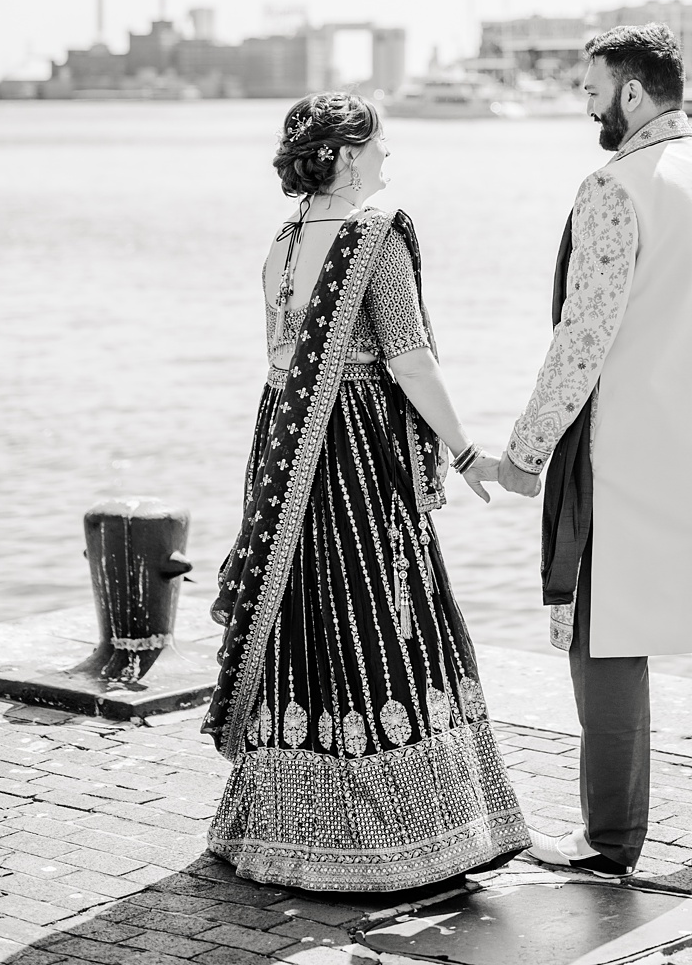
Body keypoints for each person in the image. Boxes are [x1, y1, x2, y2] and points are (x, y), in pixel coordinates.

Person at [471, 24, 692, 874]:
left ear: (631, 92)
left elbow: (582, 338)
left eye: (592, 93)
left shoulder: (615, 187)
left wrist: (525, 453)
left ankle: (610, 842)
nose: (587, 110)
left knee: (605, 636)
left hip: (625, 448)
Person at [203, 93, 528, 894]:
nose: (389, 157)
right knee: (382, 613)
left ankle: (283, 830)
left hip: (283, 448)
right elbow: (410, 359)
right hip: (352, 450)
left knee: (304, 615)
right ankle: (414, 834)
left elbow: (280, 358)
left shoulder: (281, 242)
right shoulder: (374, 235)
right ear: (347, 156)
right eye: (380, 144)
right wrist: (467, 452)